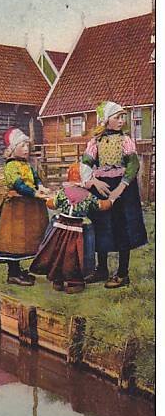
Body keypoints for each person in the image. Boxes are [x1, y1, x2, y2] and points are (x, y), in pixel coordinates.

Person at [82, 101, 148, 288]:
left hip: (122, 189)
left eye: (122, 117)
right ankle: (101, 269)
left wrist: (120, 188)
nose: (122, 121)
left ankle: (122, 273)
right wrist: (93, 181)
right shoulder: (96, 142)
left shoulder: (125, 141)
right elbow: (86, 164)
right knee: (101, 227)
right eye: (117, 117)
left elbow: (133, 165)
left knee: (121, 227)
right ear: (105, 120)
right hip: (101, 187)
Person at [30, 162, 112, 294]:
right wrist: (112, 200)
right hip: (78, 230)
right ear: (83, 180)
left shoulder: (63, 192)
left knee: (59, 252)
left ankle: (58, 280)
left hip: (61, 228)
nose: (92, 182)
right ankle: (75, 282)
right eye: (90, 179)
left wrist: (48, 199)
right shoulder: (88, 196)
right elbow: (101, 206)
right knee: (75, 255)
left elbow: (52, 204)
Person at [0, 127, 49, 286]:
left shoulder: (27, 165)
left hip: (29, 207)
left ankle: (19, 270)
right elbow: (18, 184)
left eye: (27, 146)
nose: (26, 149)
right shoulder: (11, 166)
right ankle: (12, 273)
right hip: (16, 209)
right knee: (14, 239)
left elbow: (35, 178)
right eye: (22, 146)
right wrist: (34, 194)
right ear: (13, 149)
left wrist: (40, 186)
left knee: (27, 238)